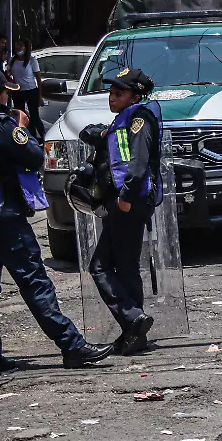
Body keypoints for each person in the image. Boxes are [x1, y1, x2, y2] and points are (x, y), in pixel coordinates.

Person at [0, 68, 113, 374]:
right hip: (5, 219)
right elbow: (34, 157)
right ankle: (72, 346)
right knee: (35, 283)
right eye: (7, 93)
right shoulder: (0, 125)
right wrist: (22, 126)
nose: (10, 97)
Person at [87, 68, 162, 354]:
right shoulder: (123, 119)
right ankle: (134, 331)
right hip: (124, 200)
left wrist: (127, 196)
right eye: (111, 93)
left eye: (119, 94)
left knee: (101, 266)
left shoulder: (139, 118)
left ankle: (133, 319)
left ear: (135, 96)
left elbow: (139, 161)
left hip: (129, 200)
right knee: (125, 266)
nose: (112, 98)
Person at [6, 39, 46, 140]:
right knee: (21, 116)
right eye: (17, 45)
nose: (18, 48)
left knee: (34, 116)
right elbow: (9, 74)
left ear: (26, 48)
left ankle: (45, 138)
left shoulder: (32, 60)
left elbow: (38, 78)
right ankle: (28, 138)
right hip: (18, 92)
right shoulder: (12, 60)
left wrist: (40, 96)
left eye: (21, 45)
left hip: (31, 90)